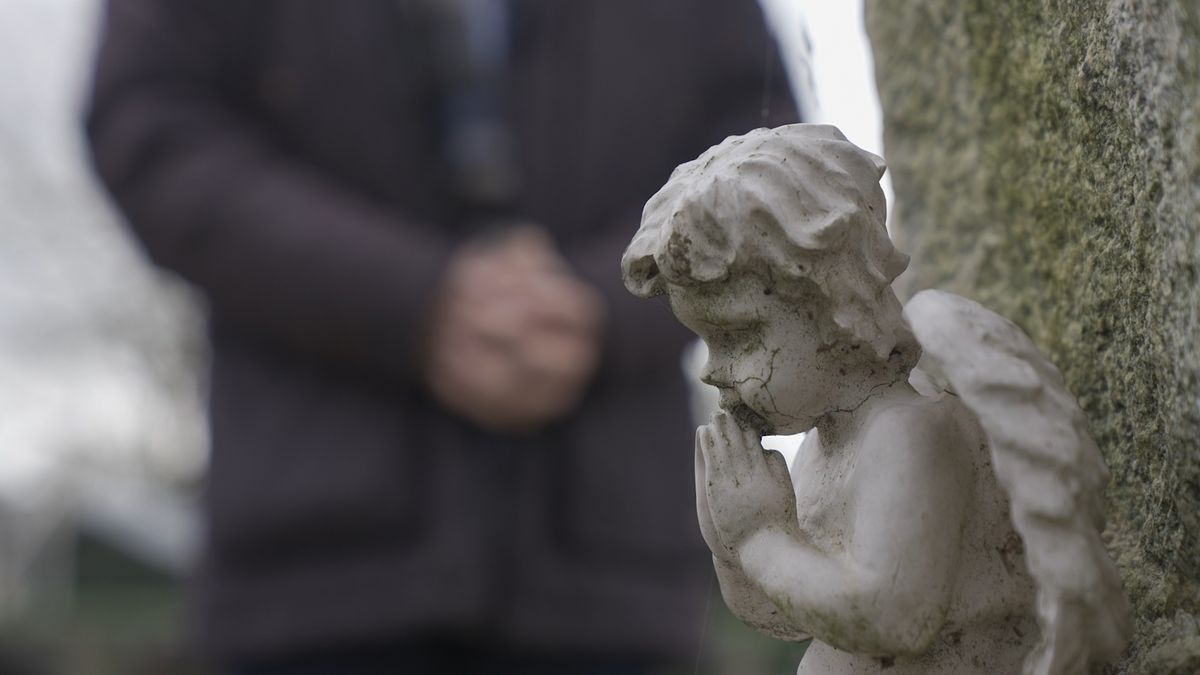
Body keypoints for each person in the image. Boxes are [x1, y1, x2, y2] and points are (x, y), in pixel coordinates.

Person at [85, 1, 798, 672]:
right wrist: (406, 300)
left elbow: (760, 142)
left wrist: (613, 300)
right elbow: (153, 123)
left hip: (609, 578)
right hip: (316, 583)